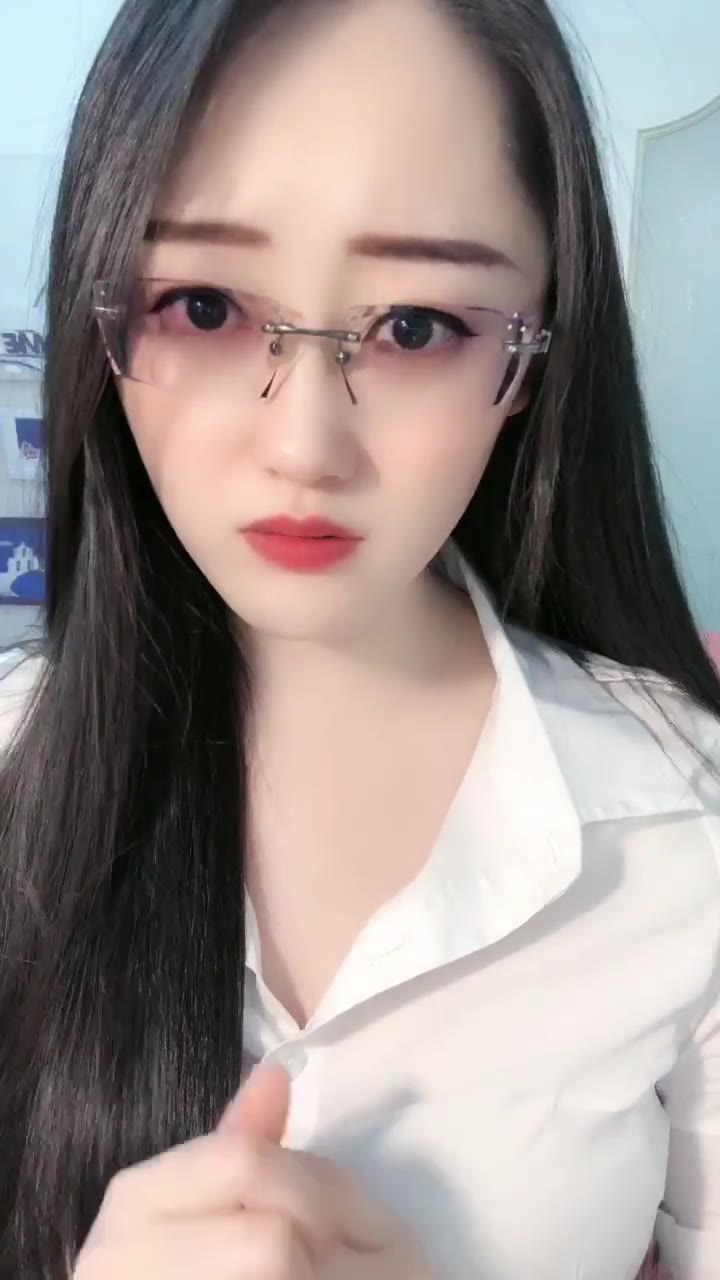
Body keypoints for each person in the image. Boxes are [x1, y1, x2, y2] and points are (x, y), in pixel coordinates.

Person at [0, 0, 717, 1276]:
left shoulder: (684, 819)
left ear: (538, 355)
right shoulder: (16, 763)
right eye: (204, 306)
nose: (304, 445)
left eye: (416, 327)